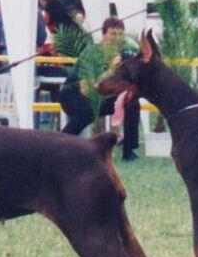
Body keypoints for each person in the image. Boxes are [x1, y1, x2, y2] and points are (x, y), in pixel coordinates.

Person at [60, 17, 140, 161]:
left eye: (120, 34)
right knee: (86, 112)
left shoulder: (122, 53)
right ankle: (58, 145)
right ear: (104, 35)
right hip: (72, 95)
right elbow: (86, 90)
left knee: (131, 102)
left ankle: (128, 151)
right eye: (112, 34)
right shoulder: (91, 53)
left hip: (99, 95)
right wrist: (111, 70)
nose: (117, 38)